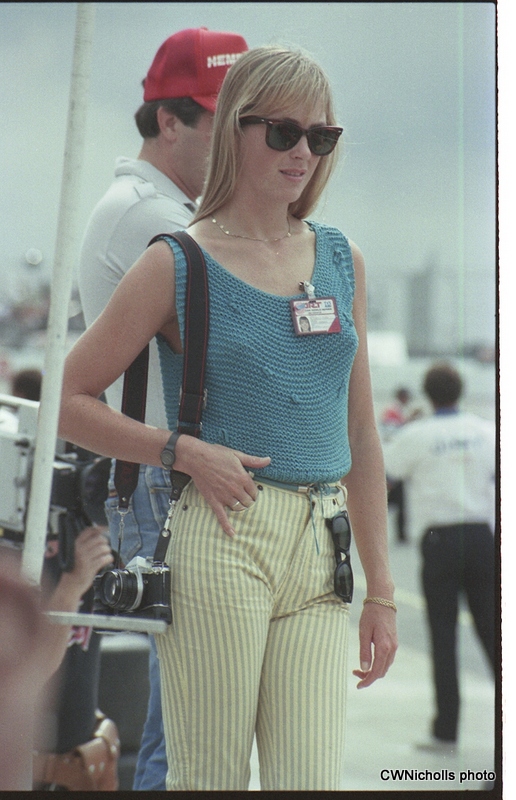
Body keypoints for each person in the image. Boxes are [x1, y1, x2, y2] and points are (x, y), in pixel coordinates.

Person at [60, 44, 398, 791]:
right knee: (208, 778)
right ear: (234, 130)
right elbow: (69, 399)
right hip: (222, 533)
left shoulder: (341, 260)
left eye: (321, 136)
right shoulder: (178, 260)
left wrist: (382, 590)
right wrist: (178, 450)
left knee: (309, 780)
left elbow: (360, 433)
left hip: (323, 544)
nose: (303, 152)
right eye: (283, 132)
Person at [78, 27, 248, 791]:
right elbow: (235, 337)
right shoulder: (152, 217)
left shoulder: (163, 209)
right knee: (192, 720)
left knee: (187, 713)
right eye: (227, 122)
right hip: (167, 472)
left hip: (167, 469)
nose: (243, 141)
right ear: (169, 120)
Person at [383, 362, 496, 753]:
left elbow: (386, 479)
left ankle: (446, 731)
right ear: (460, 391)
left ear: (428, 394)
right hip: (481, 537)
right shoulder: (485, 431)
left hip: (439, 540)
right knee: (494, 635)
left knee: (443, 636)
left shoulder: (417, 435)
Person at [0, 528, 114, 790]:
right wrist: (71, 587)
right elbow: (28, 675)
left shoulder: (86, 530)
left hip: (83, 765)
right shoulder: (11, 546)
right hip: (26, 774)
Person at [379, 387, 421, 543]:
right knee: (397, 499)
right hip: (392, 461)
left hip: (395, 461)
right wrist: (410, 420)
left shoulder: (397, 411)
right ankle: (400, 534)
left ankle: (400, 534)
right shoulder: (392, 411)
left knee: (396, 499)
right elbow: (392, 434)